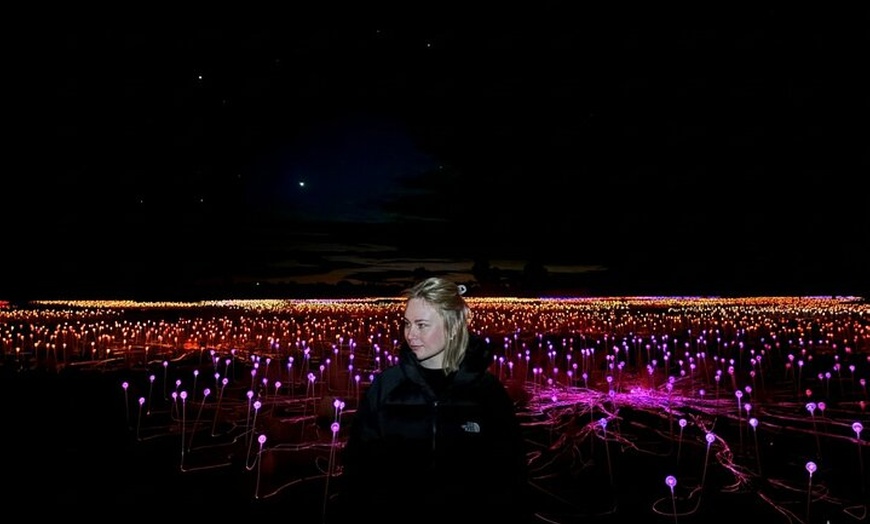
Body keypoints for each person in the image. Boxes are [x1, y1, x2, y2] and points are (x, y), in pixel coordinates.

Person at [333, 277, 531, 523]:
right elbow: (359, 472)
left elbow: (510, 474)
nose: (410, 334)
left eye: (422, 325)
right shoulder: (385, 388)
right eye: (407, 324)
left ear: (452, 327)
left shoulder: (486, 392)